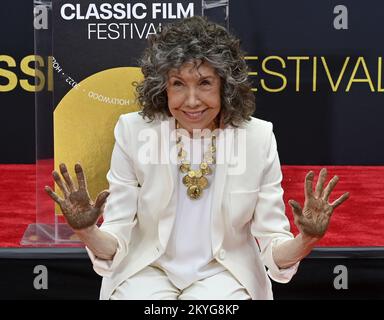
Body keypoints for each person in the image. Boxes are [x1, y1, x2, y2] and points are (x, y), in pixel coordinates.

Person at [44, 16, 349, 300]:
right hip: (145, 271)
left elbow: (273, 249)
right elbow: (116, 239)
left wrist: (307, 238)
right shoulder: (134, 130)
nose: (191, 101)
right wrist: (86, 230)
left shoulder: (257, 138)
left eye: (204, 83)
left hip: (226, 275)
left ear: (225, 85)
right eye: (178, 83)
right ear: (163, 87)